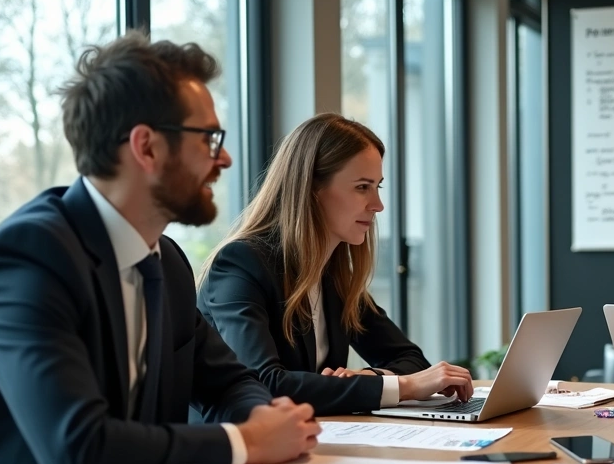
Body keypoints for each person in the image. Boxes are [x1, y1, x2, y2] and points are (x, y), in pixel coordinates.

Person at [0, 32, 320, 464]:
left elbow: (230, 382)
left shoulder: (164, 261)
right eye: (208, 138)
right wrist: (247, 442)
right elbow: (82, 452)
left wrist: (259, 417)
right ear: (145, 147)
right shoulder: (26, 260)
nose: (223, 159)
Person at [197, 113, 472, 416]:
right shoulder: (241, 264)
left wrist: (370, 377)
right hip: (236, 454)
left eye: (377, 186)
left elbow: (409, 358)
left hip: (311, 441)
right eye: (362, 187)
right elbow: (264, 385)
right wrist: (401, 387)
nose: (378, 205)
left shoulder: (333, 274)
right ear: (312, 189)